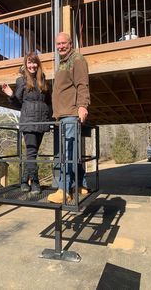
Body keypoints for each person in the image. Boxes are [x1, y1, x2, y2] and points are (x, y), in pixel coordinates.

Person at [48, 32, 91, 203]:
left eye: (63, 43)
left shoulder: (77, 59)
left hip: (71, 113)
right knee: (72, 152)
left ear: (71, 43)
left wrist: (83, 105)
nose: (60, 47)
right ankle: (81, 184)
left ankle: (63, 190)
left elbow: (82, 83)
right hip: (62, 115)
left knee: (67, 153)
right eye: (58, 44)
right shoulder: (63, 63)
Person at [2, 52, 51, 195]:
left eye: (34, 62)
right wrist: (11, 95)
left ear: (38, 64)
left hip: (42, 121)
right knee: (31, 153)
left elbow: (48, 101)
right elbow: (18, 104)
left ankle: (24, 181)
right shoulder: (21, 81)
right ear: (25, 64)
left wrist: (51, 116)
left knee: (33, 154)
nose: (32, 65)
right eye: (29, 63)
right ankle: (35, 182)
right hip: (28, 121)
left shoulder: (43, 79)